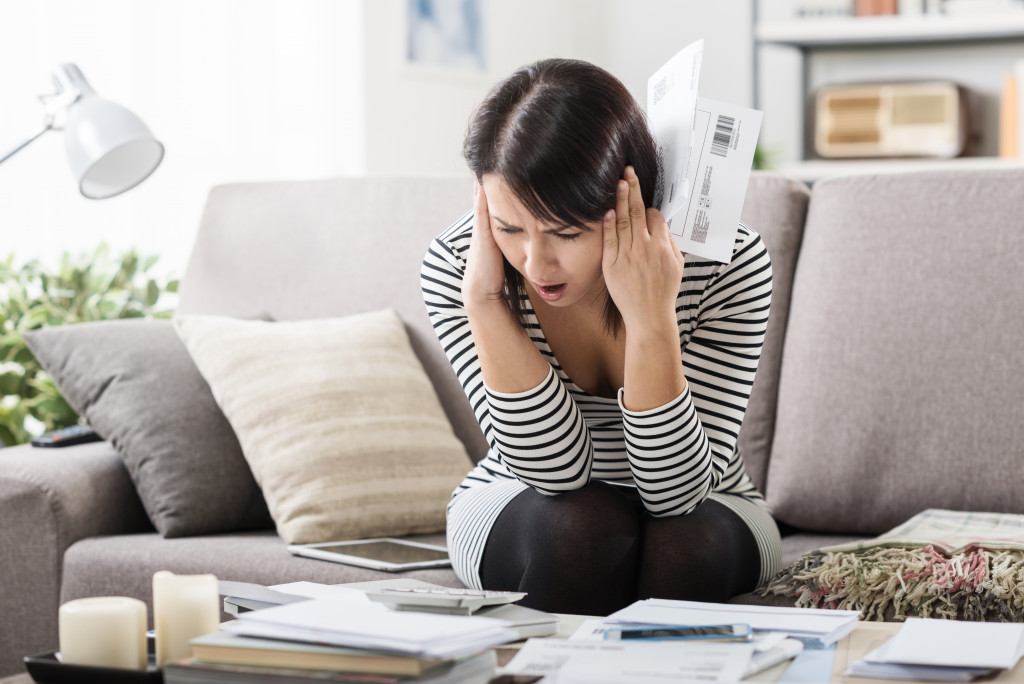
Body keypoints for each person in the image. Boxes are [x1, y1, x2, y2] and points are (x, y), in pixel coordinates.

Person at [420, 58, 781, 616]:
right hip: (524, 497)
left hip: (709, 502)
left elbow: (676, 493)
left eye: (565, 231)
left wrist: (653, 317)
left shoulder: (724, 266)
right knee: (579, 529)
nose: (535, 264)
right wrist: (488, 304)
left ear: (625, 200)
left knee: (684, 544)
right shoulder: (460, 267)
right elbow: (553, 473)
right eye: (509, 227)